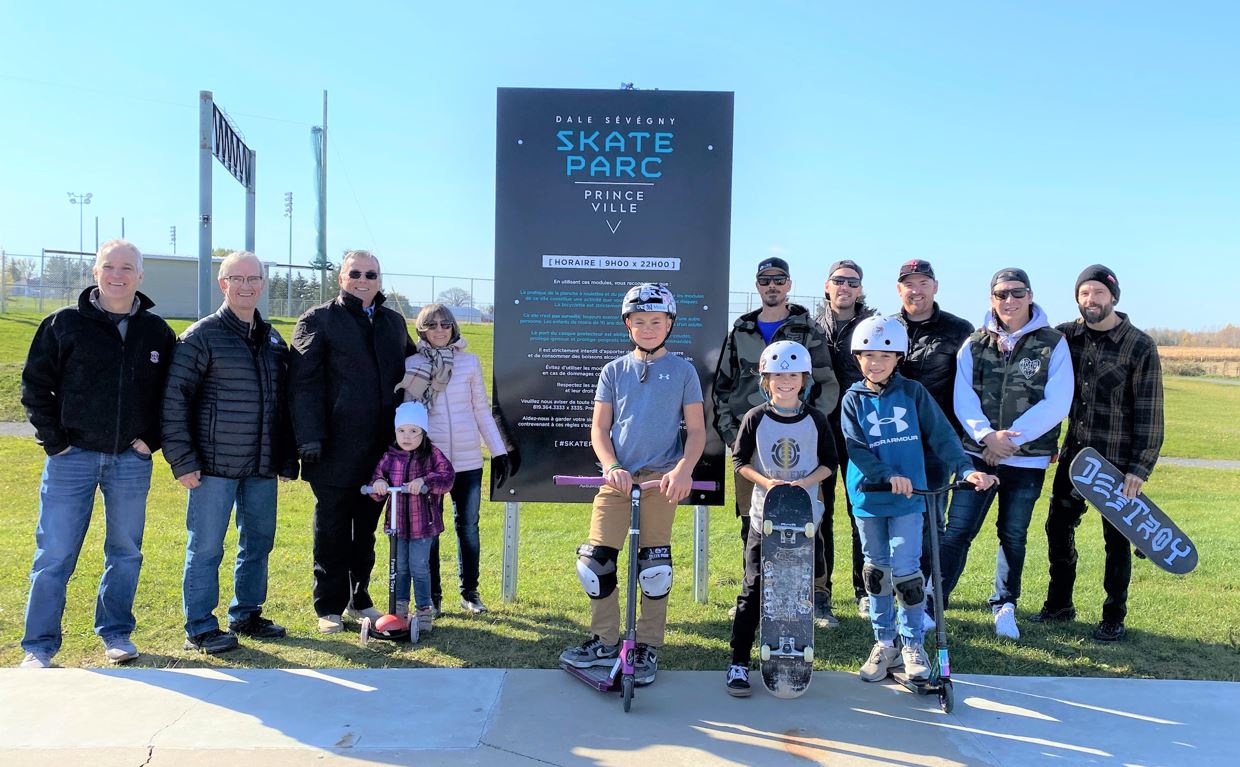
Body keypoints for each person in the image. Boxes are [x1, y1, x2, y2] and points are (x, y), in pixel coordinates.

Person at [18, 240, 176, 668]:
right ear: (95, 272)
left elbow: (173, 395)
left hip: (130, 461)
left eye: (127, 268)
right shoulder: (63, 324)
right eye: (109, 266)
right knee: (55, 553)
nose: (117, 275)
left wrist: (152, 439)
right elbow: (35, 385)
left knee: (125, 551)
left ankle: (116, 633)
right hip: (72, 459)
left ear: (140, 276)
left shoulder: (156, 332)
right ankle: (39, 645)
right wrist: (55, 440)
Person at [559, 284, 705, 686]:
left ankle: (647, 646)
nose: (647, 328)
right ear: (628, 325)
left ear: (669, 324)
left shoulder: (684, 371)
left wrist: (683, 470)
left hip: (662, 482)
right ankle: (605, 640)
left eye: (656, 321)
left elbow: (695, 431)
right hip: (618, 481)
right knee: (594, 563)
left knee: (654, 568)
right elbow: (599, 428)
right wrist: (610, 466)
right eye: (639, 322)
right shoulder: (613, 370)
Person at [840, 315, 996, 683]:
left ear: (898, 358)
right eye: (868, 356)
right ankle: (884, 642)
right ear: (857, 358)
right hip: (869, 498)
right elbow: (855, 448)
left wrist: (964, 468)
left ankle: (912, 645)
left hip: (909, 500)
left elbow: (942, 435)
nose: (875, 363)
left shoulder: (913, 393)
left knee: (908, 573)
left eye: (884, 356)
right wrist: (884, 476)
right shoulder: (852, 399)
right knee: (876, 573)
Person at [161, 251, 299, 654]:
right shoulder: (200, 336)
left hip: (260, 466)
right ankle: (200, 626)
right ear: (223, 284)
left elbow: (284, 405)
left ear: (262, 284)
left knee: (258, 541)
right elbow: (174, 401)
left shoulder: (273, 340)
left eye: (253, 278)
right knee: (206, 547)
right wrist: (183, 460)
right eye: (236, 278)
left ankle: (247, 613)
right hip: (211, 468)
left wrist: (286, 459)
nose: (245, 286)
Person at [939, 268, 1072, 640]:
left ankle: (1004, 605)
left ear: (1030, 296)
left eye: (1017, 293)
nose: (1009, 301)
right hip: (977, 455)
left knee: (1013, 534)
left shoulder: (1052, 342)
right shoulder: (975, 342)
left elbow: (1057, 401)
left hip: (1026, 459)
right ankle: (936, 601)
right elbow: (963, 395)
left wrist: (1009, 440)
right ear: (991, 299)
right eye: (1001, 294)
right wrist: (986, 437)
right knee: (957, 531)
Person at [1032, 265, 1164, 642]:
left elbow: (1151, 413)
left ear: (1113, 296)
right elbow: (1047, 390)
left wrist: (1139, 469)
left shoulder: (1139, 345)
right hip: (1076, 457)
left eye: (1098, 293)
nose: (1091, 301)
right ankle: (1059, 605)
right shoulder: (1065, 337)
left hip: (1119, 464)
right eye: (1084, 293)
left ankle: (1113, 616)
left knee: (1117, 540)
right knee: (1057, 528)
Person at [289, 250, 414, 634]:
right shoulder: (319, 320)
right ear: (341, 277)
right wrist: (309, 437)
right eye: (355, 273)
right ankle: (328, 606)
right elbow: (302, 384)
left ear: (379, 279)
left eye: (371, 274)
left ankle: (360, 599)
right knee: (332, 530)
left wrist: (449, 353)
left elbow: (415, 366)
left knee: (367, 532)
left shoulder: (392, 323)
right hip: (333, 450)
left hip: (380, 453)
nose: (363, 279)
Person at [712, 257, 838, 626]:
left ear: (789, 284)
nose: (772, 285)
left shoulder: (806, 330)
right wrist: (734, 438)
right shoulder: (741, 331)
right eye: (765, 279)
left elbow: (827, 383)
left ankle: (818, 596)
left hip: (801, 448)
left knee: (813, 521)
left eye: (778, 279)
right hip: (751, 446)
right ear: (757, 285)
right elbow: (722, 387)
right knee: (752, 521)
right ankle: (756, 593)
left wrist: (810, 428)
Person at [723, 341, 837, 697]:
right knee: (755, 588)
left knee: (797, 589)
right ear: (765, 380)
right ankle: (738, 662)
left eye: (792, 375)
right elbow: (740, 462)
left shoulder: (816, 419)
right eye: (777, 376)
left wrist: (802, 485)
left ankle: (790, 658)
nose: (785, 381)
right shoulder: (754, 418)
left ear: (804, 379)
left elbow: (829, 463)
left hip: (804, 520)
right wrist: (769, 484)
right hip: (764, 519)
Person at [397, 304, 511, 616]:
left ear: (453, 327)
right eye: (431, 325)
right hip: (430, 465)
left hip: (468, 462)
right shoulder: (413, 364)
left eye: (445, 324)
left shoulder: (470, 363)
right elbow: (410, 417)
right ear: (422, 329)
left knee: (468, 527)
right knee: (430, 531)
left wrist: (498, 452)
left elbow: (480, 410)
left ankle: (470, 592)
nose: (439, 330)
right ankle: (432, 596)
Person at [893, 258, 975, 624]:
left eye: (923, 282)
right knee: (890, 517)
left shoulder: (959, 330)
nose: (916, 289)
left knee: (931, 520)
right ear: (899, 290)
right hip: (893, 440)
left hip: (936, 444)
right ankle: (887, 591)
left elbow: (970, 386)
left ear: (935, 287)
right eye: (909, 283)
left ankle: (927, 592)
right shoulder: (886, 328)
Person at [815, 259, 879, 619]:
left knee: (862, 511)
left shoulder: (872, 325)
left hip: (861, 429)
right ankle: (821, 591)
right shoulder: (809, 326)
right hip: (820, 429)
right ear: (827, 286)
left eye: (852, 282)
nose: (845, 287)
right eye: (839, 281)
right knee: (820, 512)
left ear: (860, 289)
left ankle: (865, 589)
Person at [369, 401, 455, 634]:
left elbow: (447, 478)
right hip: (397, 525)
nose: (407, 437)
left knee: (419, 566)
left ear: (423, 432)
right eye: (402, 431)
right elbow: (377, 479)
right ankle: (399, 610)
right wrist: (379, 484)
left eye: (413, 431)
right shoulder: (390, 457)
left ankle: (425, 609)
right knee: (400, 567)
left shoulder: (432, 454)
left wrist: (424, 482)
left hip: (422, 525)